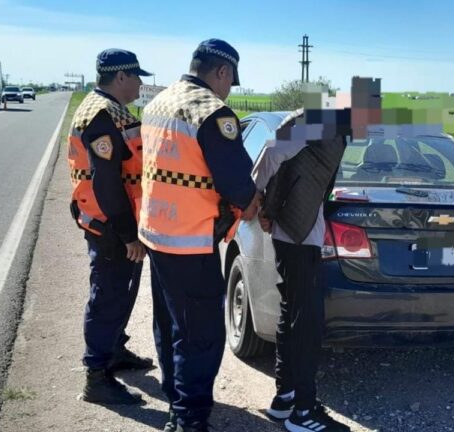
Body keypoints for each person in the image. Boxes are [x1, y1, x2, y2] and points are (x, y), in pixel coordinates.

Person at [139, 39, 260, 432]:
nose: (228, 90)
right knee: (202, 334)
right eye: (230, 81)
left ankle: (177, 397)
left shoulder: (157, 103)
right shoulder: (212, 112)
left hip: (157, 234)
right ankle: (189, 420)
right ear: (221, 72)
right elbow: (239, 185)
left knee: (171, 323)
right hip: (190, 240)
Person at [67, 48, 155, 406]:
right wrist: (128, 235)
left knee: (121, 292)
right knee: (108, 296)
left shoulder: (112, 110)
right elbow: (107, 184)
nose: (140, 83)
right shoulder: (101, 116)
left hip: (115, 222)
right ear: (121, 77)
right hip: (110, 226)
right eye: (137, 77)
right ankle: (96, 377)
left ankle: (114, 349)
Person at [255, 109, 350, 432]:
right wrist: (255, 199)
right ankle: (303, 413)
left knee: (293, 314)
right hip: (297, 232)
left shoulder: (335, 127)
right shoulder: (318, 121)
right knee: (306, 322)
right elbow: (272, 152)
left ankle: (285, 399)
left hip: (300, 229)